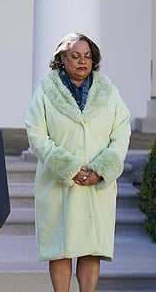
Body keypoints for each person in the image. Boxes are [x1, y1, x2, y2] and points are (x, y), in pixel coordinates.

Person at [25, 33, 131, 292]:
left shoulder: (108, 90)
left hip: (96, 187)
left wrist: (103, 168)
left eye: (87, 56)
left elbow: (121, 131)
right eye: (75, 56)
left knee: (90, 248)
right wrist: (67, 167)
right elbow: (36, 133)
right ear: (62, 58)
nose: (82, 61)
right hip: (59, 185)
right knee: (59, 249)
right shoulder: (46, 91)